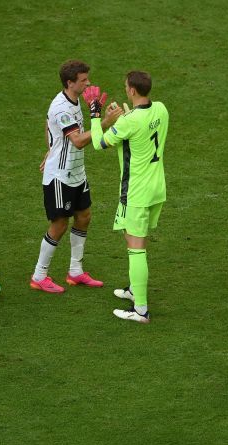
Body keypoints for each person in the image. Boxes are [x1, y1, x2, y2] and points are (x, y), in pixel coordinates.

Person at [29, 60, 120, 293]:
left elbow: (49, 125)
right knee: (59, 224)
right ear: (70, 83)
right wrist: (107, 123)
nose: (88, 83)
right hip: (60, 176)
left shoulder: (74, 100)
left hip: (77, 172)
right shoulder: (61, 107)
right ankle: (39, 276)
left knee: (84, 216)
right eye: (83, 80)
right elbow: (78, 142)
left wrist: (52, 146)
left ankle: (75, 271)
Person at [89, 70, 169, 323]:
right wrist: (126, 117)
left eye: (126, 87)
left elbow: (98, 143)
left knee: (136, 248)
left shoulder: (129, 122)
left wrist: (96, 115)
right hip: (156, 188)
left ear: (132, 91)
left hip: (136, 193)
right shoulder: (161, 110)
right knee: (131, 235)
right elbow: (139, 129)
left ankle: (141, 310)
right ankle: (136, 289)